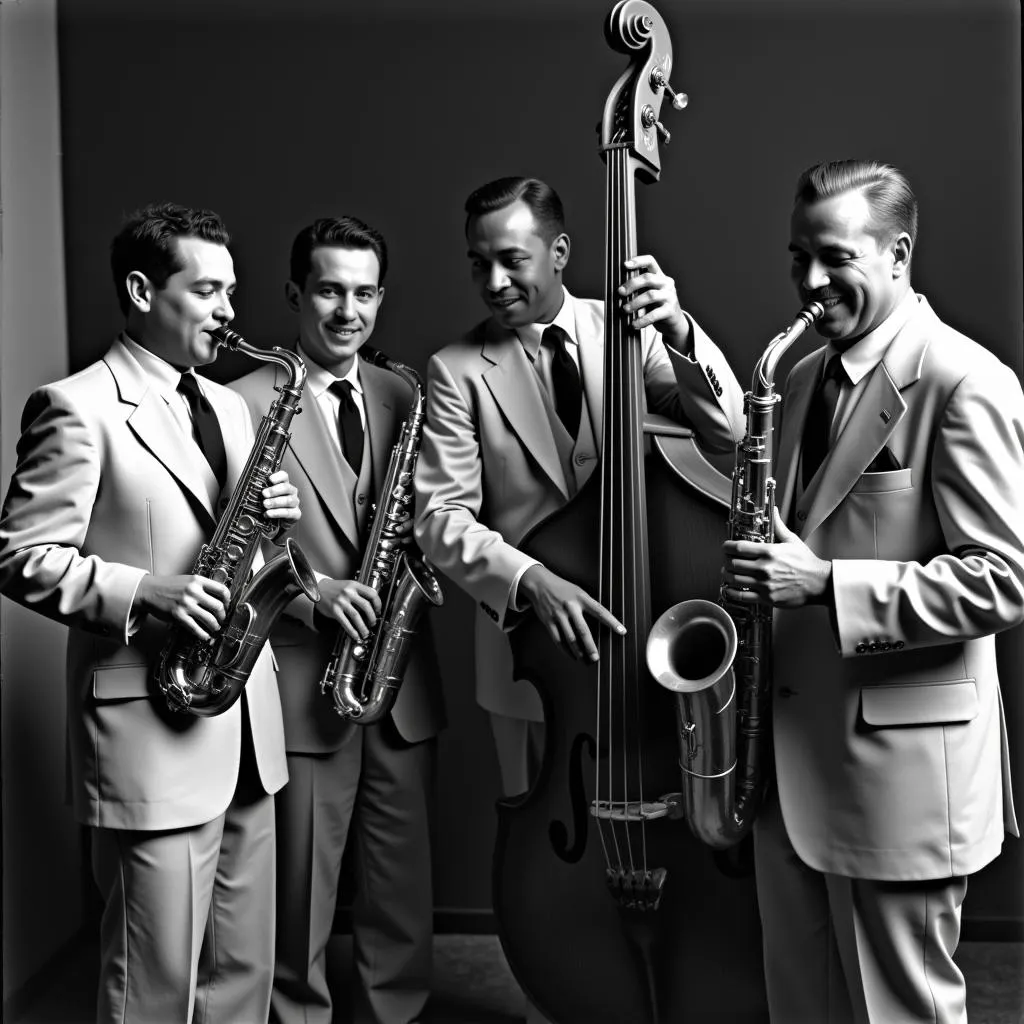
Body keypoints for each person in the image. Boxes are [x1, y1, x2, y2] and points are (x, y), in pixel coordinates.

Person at [722, 159, 1024, 1023]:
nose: (811, 284)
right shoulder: (801, 376)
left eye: (835, 258)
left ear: (897, 254)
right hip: (788, 768)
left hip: (898, 779)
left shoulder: (968, 381)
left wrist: (823, 585)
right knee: (801, 1008)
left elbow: (1003, 580)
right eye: (797, 258)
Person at [0, 202, 301, 1023]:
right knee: (150, 989)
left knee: (244, 976)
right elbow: (21, 557)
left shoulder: (234, 407)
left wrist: (274, 524)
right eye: (207, 291)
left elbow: (245, 553)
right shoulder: (75, 406)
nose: (230, 312)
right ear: (141, 289)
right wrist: (145, 592)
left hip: (244, 725)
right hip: (150, 737)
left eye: (231, 292)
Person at [414, 175, 745, 800]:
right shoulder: (454, 371)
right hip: (530, 656)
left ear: (559, 253)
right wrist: (529, 580)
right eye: (478, 264)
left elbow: (727, 431)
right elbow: (440, 518)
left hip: (646, 626)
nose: (493, 283)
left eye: (512, 261)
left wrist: (677, 331)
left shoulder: (631, 330)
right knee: (543, 819)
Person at [231, 216, 445, 1024]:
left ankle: (398, 1012)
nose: (346, 310)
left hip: (401, 675)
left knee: (403, 886)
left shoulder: (406, 392)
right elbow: (211, 543)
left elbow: (436, 511)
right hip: (299, 685)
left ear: (381, 298)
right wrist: (313, 589)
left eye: (363, 292)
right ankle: (298, 1013)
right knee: (299, 890)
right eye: (328, 289)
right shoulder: (239, 401)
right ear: (294, 294)